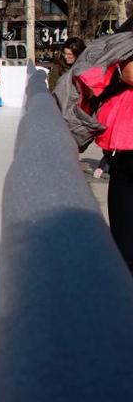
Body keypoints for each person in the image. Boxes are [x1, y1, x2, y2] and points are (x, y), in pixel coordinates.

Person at [75, 52, 133, 273]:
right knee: (123, 245)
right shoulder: (123, 44)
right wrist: (118, 74)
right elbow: (90, 76)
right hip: (120, 155)